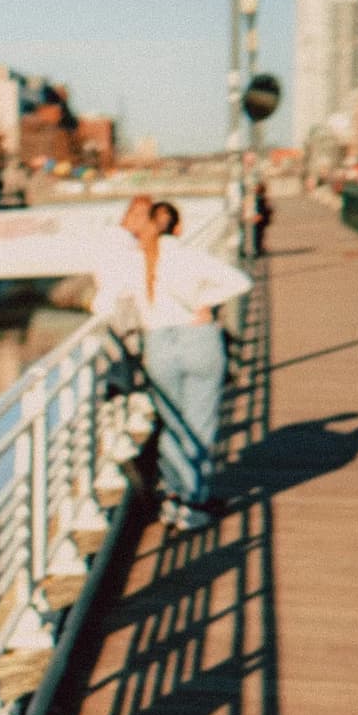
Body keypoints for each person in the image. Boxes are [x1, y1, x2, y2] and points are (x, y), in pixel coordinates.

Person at [94, 197, 251, 531]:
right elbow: (241, 281)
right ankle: (193, 501)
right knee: (200, 425)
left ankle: (175, 497)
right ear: (179, 228)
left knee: (173, 424)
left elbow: (103, 303)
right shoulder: (191, 256)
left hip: (159, 345)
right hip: (200, 340)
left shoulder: (135, 262)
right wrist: (204, 303)